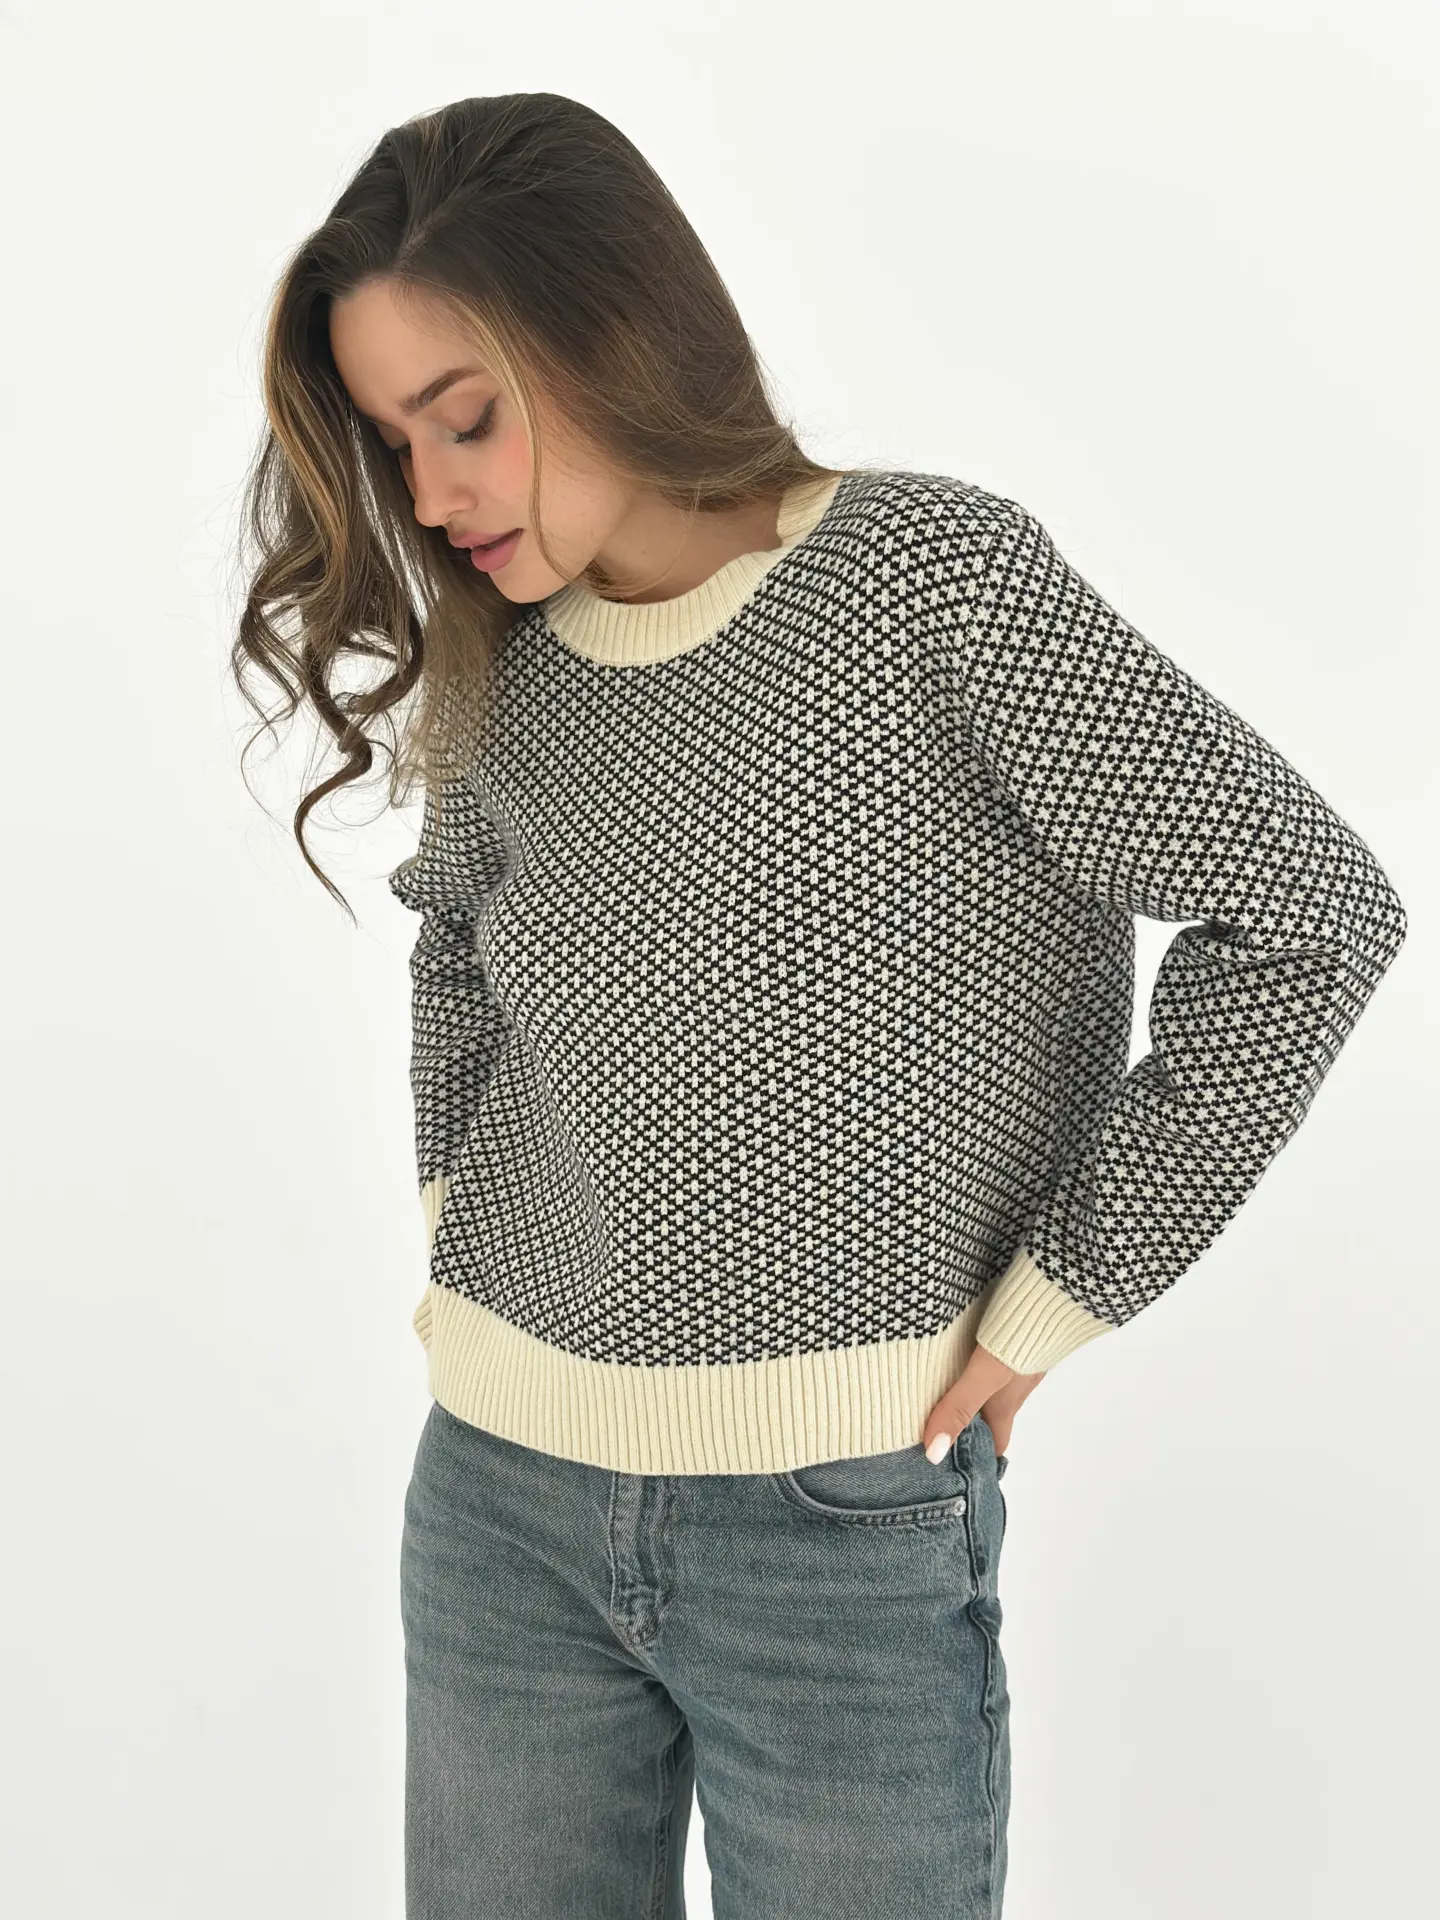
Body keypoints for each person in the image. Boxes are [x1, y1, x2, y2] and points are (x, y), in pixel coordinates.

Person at [229, 91, 1407, 1920]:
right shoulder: (509, 658)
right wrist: (465, 1214)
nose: (435, 495)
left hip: (838, 1522)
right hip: (497, 1505)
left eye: (466, 418)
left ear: (613, 332)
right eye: (397, 446)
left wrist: (1073, 1281)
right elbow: (454, 935)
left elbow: (1312, 909)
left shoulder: (929, 583)